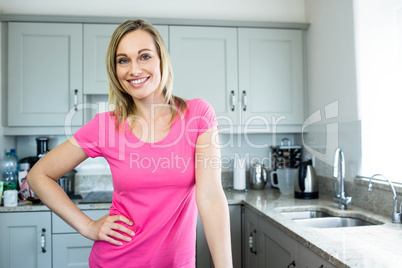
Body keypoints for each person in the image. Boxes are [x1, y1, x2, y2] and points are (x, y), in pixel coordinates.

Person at [27, 19, 232, 268]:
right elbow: (39, 175)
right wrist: (87, 226)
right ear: (115, 70)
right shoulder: (105, 125)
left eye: (144, 56)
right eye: (123, 60)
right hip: (115, 261)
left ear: (161, 60)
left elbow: (210, 196)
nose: (134, 69)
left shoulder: (198, 115)